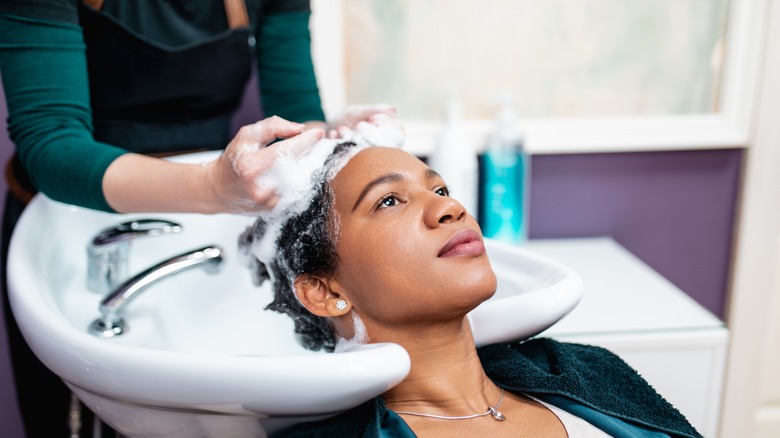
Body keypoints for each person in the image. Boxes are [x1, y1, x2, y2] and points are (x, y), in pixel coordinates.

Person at [0, 1, 396, 436]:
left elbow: (297, 110)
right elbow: (52, 147)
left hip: (213, 218)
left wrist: (327, 139)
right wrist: (212, 187)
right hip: (73, 224)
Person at [238, 142, 703, 438]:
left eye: (440, 190)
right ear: (323, 290)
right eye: (390, 201)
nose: (450, 208)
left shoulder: (586, 371)